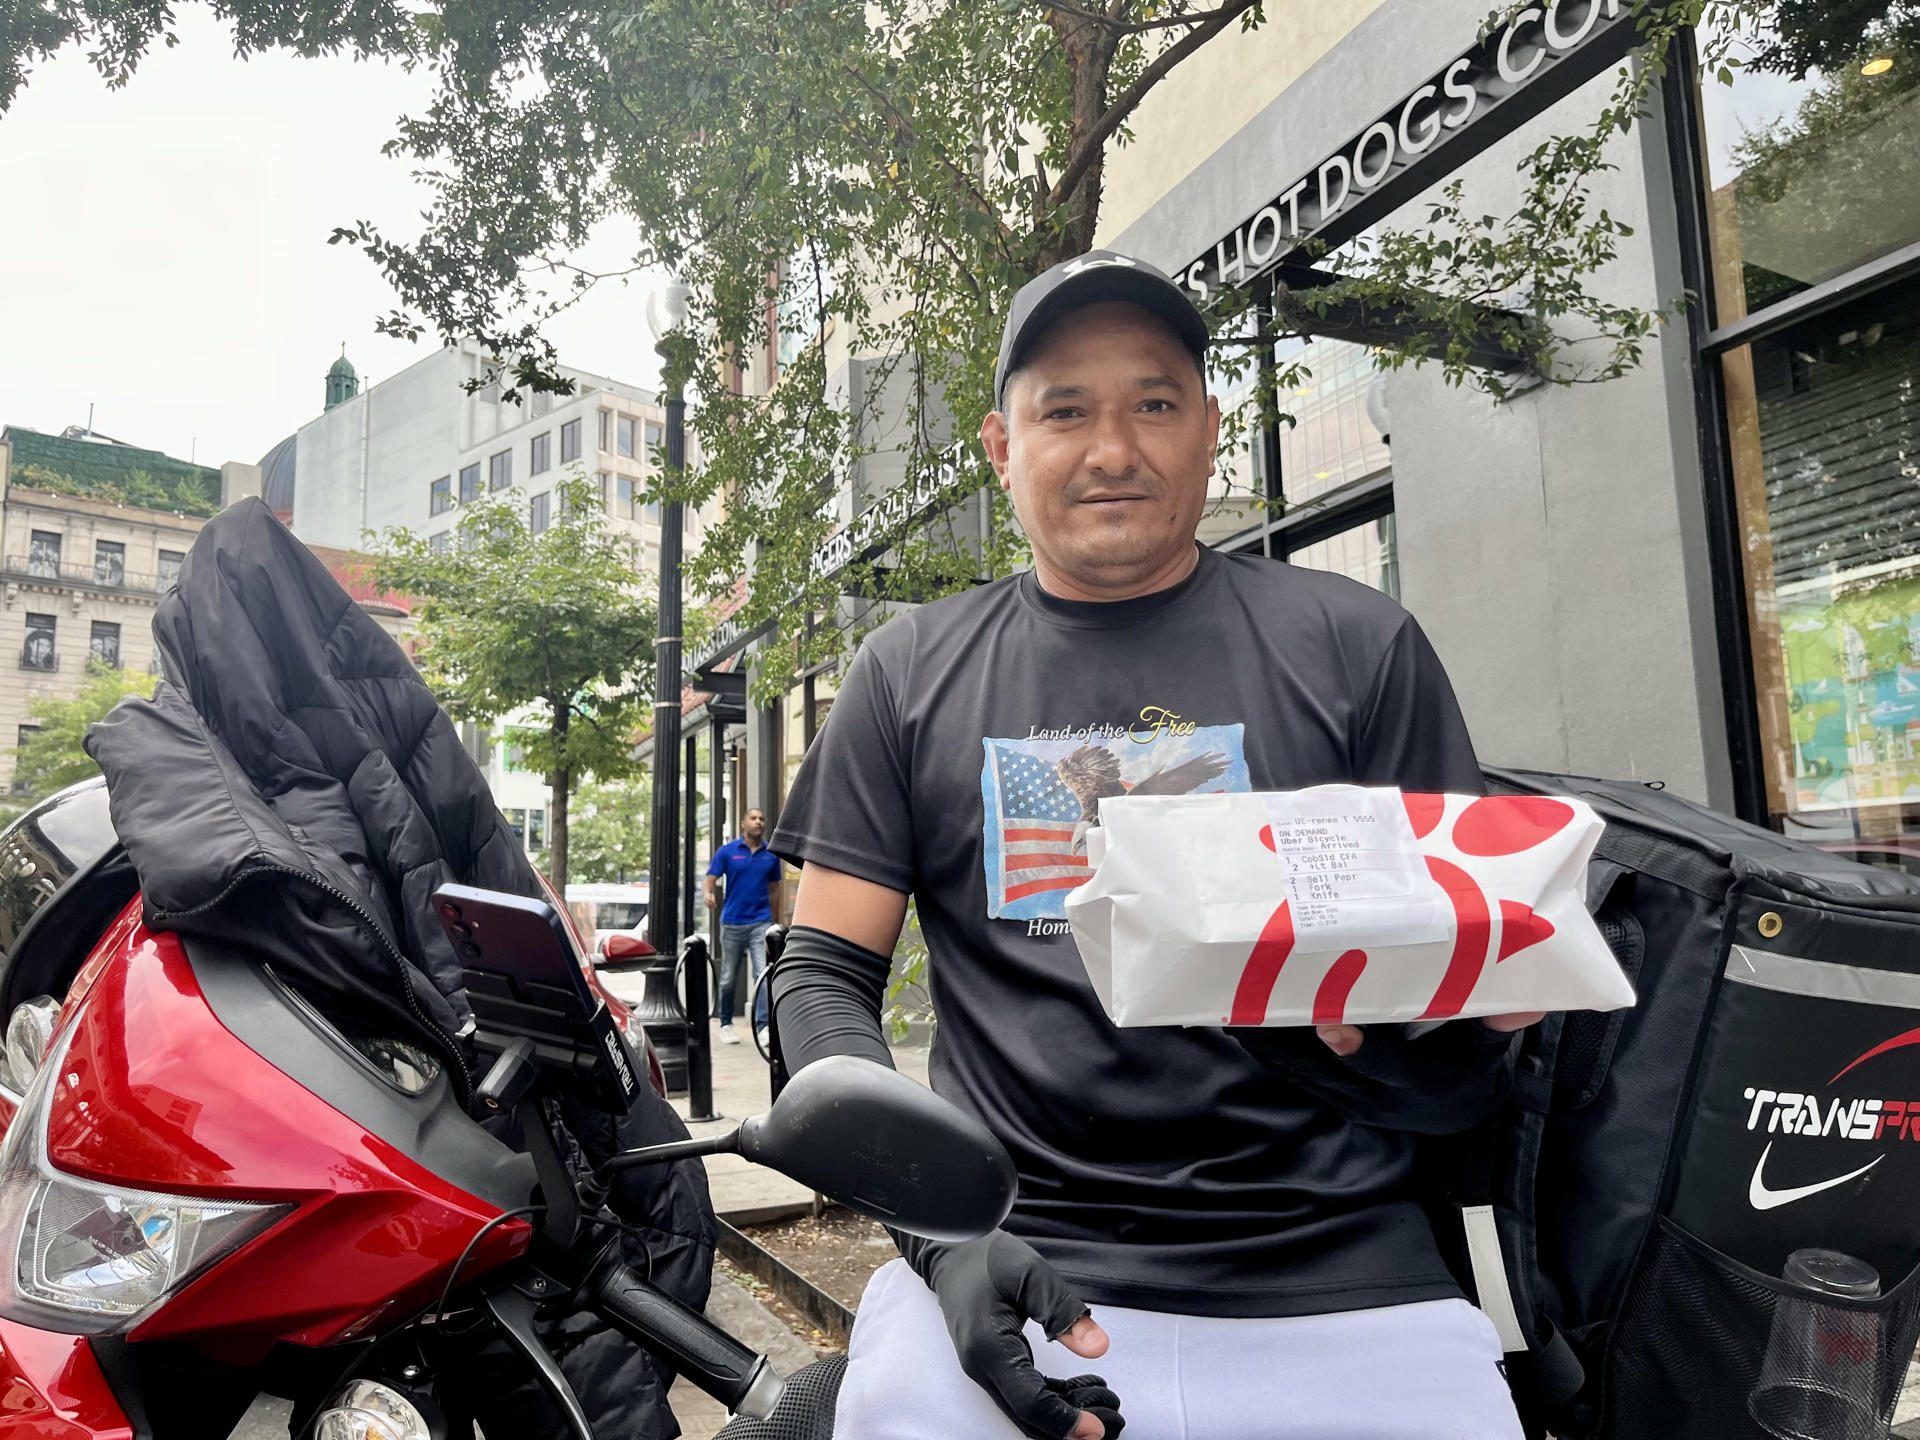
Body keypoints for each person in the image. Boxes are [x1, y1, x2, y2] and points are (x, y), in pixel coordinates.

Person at [768, 252, 1546, 1440]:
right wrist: (939, 1238)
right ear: (1000, 447)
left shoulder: (1358, 645)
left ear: (1211, 431)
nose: (1112, 448)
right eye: (1065, 410)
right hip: (1011, 1263)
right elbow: (822, 979)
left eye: (1154, 402)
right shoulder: (907, 672)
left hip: (1346, 1279)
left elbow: (1459, 1037)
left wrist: (1436, 1036)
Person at [705, 807, 783, 1046]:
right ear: (743, 824)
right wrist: (707, 894)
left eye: (762, 818)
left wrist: (774, 920)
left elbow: (774, 889)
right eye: (754, 818)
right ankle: (726, 1024)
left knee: (762, 975)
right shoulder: (728, 851)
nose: (759, 822)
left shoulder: (771, 854)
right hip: (732, 923)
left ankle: (762, 1027)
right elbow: (710, 878)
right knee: (728, 978)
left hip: (760, 921)